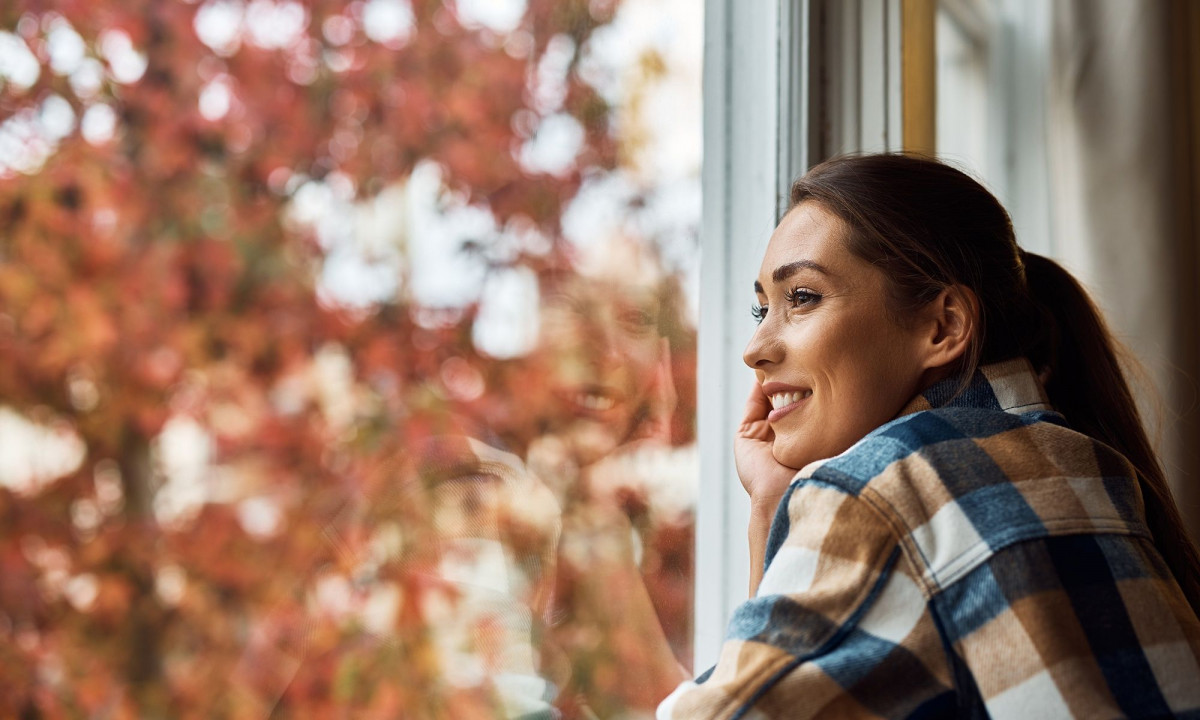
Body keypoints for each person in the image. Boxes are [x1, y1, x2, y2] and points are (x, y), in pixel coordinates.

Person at [658, 154, 1200, 718]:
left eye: (802, 297)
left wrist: (778, 512)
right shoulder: (1086, 461)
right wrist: (777, 504)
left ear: (943, 326)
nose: (755, 348)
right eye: (760, 307)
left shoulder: (883, 489)